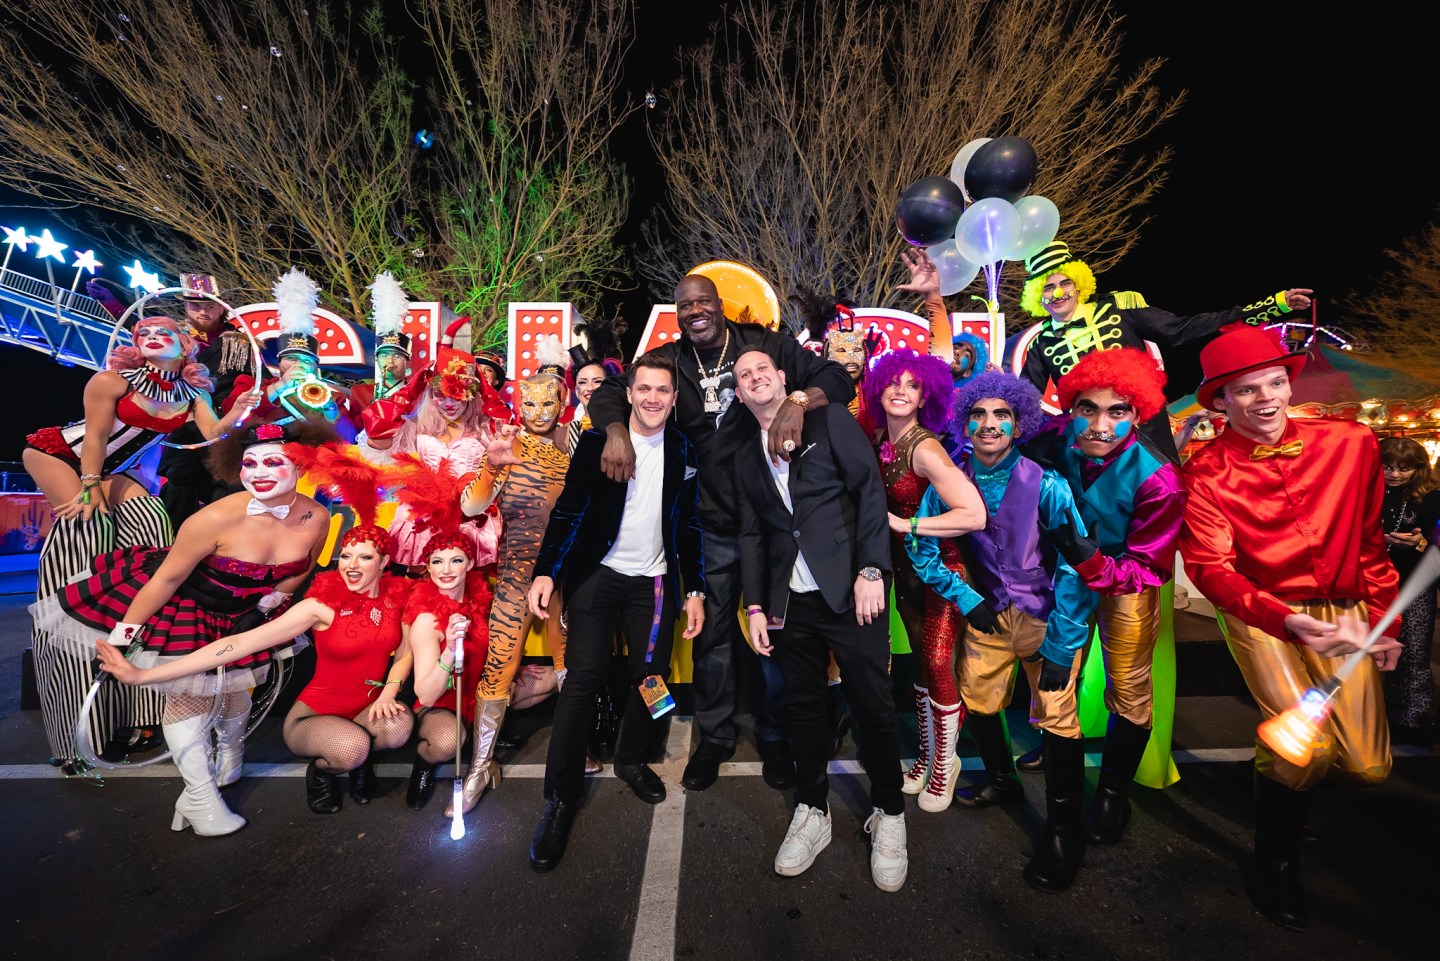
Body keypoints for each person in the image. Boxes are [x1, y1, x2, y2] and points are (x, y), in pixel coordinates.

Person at [587, 273, 855, 793]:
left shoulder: (765, 347)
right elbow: (609, 395)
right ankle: (715, 738)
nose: (694, 312)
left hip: (774, 527)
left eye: (702, 302)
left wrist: (798, 402)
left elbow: (839, 380)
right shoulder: (669, 361)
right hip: (708, 527)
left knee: (777, 635)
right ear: (678, 312)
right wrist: (615, 429)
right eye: (684, 305)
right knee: (710, 638)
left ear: (720, 304)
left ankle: (774, 734)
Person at [1178, 324, 1402, 930]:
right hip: (1262, 612)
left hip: (1345, 607)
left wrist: (1386, 622)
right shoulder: (1207, 473)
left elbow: (1371, 543)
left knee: (1367, 766)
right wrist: (1286, 619)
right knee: (1305, 749)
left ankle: (1274, 776)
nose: (1268, 398)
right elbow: (1210, 569)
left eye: (1276, 382)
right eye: (1248, 390)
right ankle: (1273, 859)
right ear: (1222, 401)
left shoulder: (1353, 444)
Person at [29, 419, 336, 835]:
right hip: (185, 606)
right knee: (191, 697)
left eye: (274, 462)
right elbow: (166, 580)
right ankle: (199, 797)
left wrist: (266, 605)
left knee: (234, 688)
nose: (259, 472)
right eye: (250, 463)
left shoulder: (317, 516)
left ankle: (230, 752)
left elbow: (300, 570)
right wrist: (123, 638)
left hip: (245, 613)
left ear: (304, 465)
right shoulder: (212, 519)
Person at [23, 313, 256, 774]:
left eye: (162, 332)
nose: (151, 338)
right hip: (65, 457)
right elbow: (94, 439)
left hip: (115, 473)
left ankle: (140, 691)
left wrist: (237, 409)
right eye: (143, 333)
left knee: (154, 527)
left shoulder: (192, 392)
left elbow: (214, 436)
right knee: (87, 534)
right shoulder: (111, 380)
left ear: (183, 345)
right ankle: (72, 714)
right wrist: (89, 486)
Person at [905, 370, 1099, 891]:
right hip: (988, 617)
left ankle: (1063, 835)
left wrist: (1062, 644)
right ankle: (1002, 780)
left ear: (1018, 423)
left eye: (1001, 414)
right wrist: (967, 601)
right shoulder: (950, 479)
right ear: (964, 422)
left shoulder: (1046, 483)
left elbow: (1079, 566)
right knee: (979, 700)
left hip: (1047, 617)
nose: (989, 424)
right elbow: (919, 546)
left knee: (1057, 718)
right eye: (978, 414)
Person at [731, 347, 908, 892]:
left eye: (764, 369)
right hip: (791, 604)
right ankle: (813, 811)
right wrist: (757, 606)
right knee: (804, 711)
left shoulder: (829, 420)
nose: (756, 377)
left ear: (783, 379)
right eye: (744, 375)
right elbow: (754, 536)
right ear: (738, 394)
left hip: (853, 590)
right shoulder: (744, 457)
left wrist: (873, 569)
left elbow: (869, 493)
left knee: (873, 706)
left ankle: (889, 814)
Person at [95, 520, 414, 815]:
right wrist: (144, 674)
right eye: (346, 556)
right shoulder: (319, 607)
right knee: (351, 746)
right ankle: (324, 770)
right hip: (315, 716)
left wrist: (390, 690)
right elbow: (241, 644)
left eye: (365, 557)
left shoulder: (397, 600)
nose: (352, 566)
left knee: (399, 725)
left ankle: (360, 763)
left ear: (384, 562)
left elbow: (404, 653)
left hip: (366, 708)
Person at [524, 353, 705, 871]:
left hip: (652, 582)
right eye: (643, 389)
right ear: (628, 394)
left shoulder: (684, 448)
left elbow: (689, 526)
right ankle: (558, 799)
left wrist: (695, 591)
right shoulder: (599, 441)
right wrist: (546, 572)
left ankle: (632, 756)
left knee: (653, 677)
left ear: (673, 398)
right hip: (597, 577)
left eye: (662, 391)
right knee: (581, 680)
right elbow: (569, 509)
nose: (652, 398)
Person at [1046, 347, 1186, 845]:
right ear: (1071, 408)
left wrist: (1091, 561)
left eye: (1117, 411)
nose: (1100, 425)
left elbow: (1146, 569)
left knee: (1128, 690)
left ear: (1137, 413)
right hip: (1067, 576)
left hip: (1128, 584)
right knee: (1056, 678)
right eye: (1088, 408)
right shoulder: (1059, 440)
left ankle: (1112, 796)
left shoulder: (1160, 480)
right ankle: (1058, 763)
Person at [1016, 240, 1312, 457]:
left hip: (1147, 434)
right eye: (1047, 287)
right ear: (1036, 297)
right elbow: (1025, 396)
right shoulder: (1043, 343)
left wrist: (1274, 304)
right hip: (1093, 445)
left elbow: (1183, 328)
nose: (1057, 293)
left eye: (1064, 282)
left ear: (1078, 285)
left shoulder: (1119, 309)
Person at [859, 348, 986, 811]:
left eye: (913, 385)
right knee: (920, 667)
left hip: (941, 574)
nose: (900, 390)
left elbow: (973, 514)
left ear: (924, 396)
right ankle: (928, 757)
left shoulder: (925, 447)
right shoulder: (879, 438)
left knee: (936, 663)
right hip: (905, 575)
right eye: (894, 382)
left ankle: (944, 765)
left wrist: (905, 525)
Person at [451, 348, 576, 814]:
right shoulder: (509, 442)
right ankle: (480, 766)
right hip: (519, 572)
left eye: (548, 404)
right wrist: (492, 466)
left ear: (562, 403)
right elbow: (468, 507)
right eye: (530, 404)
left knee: (572, 665)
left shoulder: (577, 441)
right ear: (518, 404)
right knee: (500, 664)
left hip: (567, 573)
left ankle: (573, 747)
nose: (539, 413)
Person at [388, 460, 494, 814]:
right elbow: (425, 694)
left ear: (470, 564)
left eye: (455, 561)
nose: (446, 571)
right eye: (437, 562)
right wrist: (451, 648)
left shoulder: (482, 600)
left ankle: (488, 735)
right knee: (449, 741)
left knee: (541, 683)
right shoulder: (426, 620)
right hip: (441, 705)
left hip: (477, 695)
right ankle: (424, 760)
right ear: (427, 566)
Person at [365, 347, 497, 571]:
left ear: (471, 394)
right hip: (422, 517)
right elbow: (376, 437)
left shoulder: (485, 428)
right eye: (440, 394)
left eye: (457, 395)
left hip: (470, 516)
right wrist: (407, 393)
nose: (449, 403)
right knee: (418, 585)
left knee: (468, 587)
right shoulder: (416, 428)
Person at [157, 274, 257, 526]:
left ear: (221, 307)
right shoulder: (173, 339)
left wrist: (234, 405)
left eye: (209, 305)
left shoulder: (239, 342)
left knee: (226, 484)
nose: (203, 311)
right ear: (185, 306)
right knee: (179, 484)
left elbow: (256, 381)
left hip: (223, 424)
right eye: (195, 305)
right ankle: (169, 546)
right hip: (183, 424)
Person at [1376, 436, 1440, 744]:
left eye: (1405, 468)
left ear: (1419, 469)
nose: (1396, 474)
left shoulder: (1432, 497)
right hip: (1370, 586)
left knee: (1413, 654)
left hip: (1414, 587)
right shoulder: (1362, 491)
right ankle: (1366, 718)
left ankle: (1410, 720)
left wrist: (1421, 543)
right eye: (1388, 466)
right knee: (1367, 654)